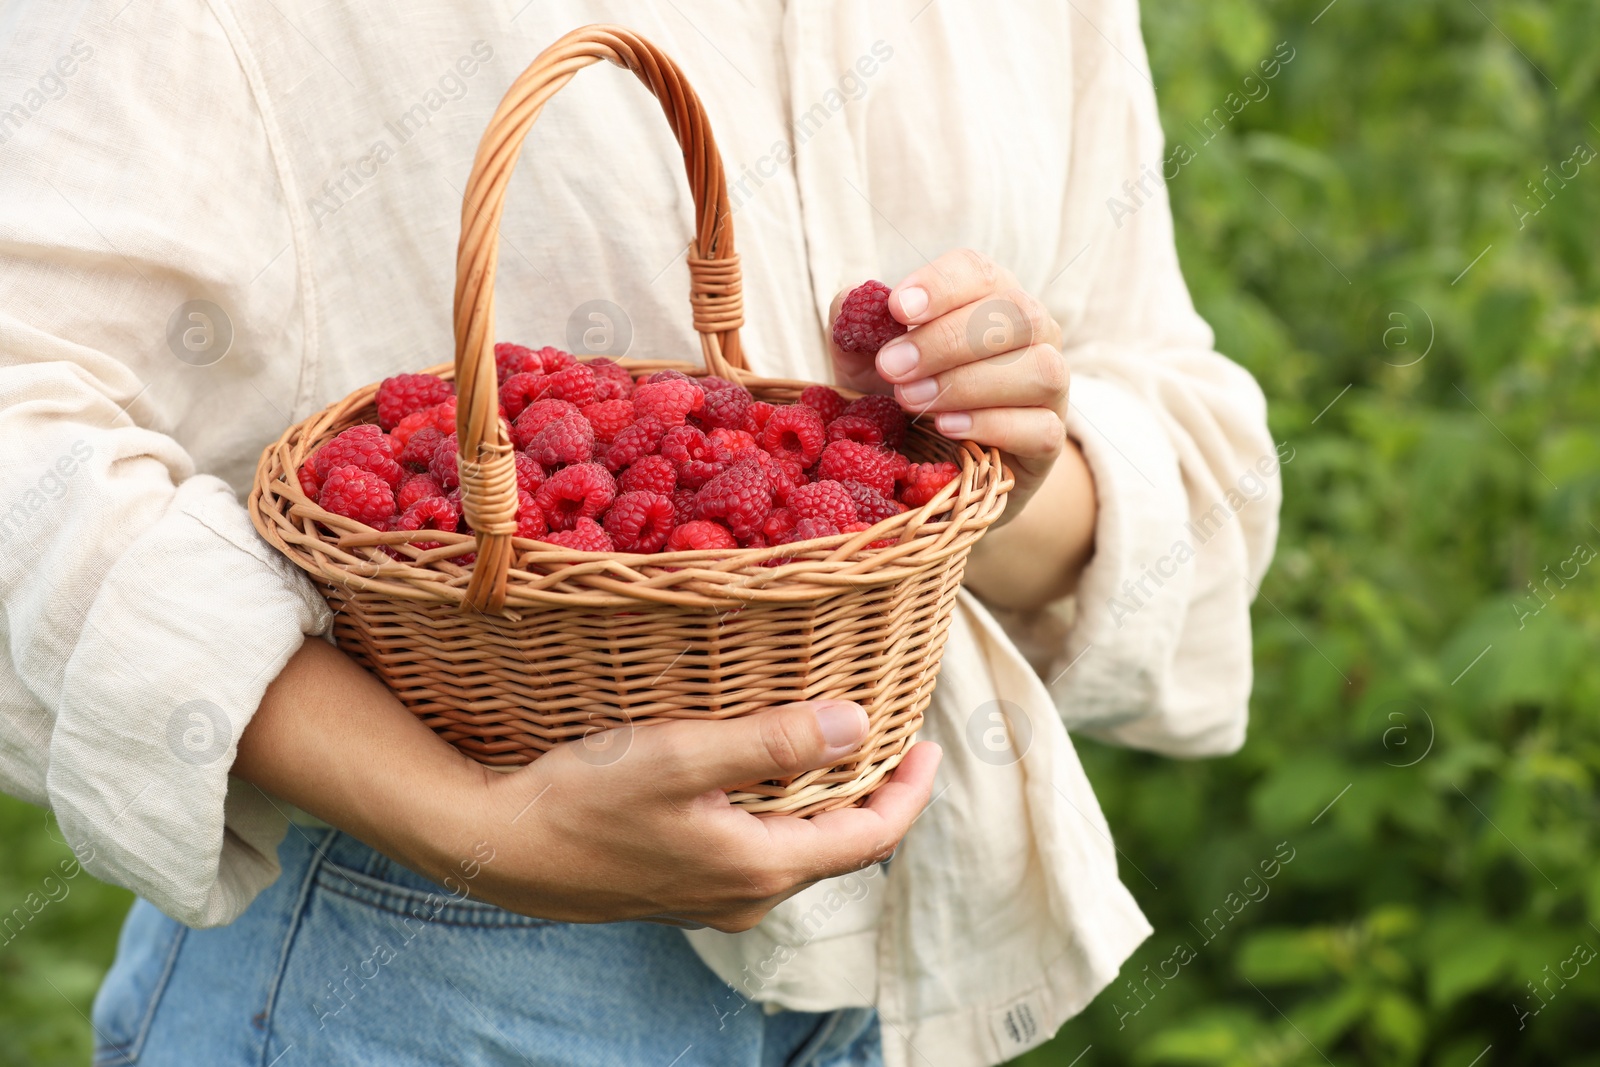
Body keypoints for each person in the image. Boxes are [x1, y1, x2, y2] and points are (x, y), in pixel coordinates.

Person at [0, 2, 1279, 1065]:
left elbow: (1156, 419)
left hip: (889, 942)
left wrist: (990, 452)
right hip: (422, 953)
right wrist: (465, 819)